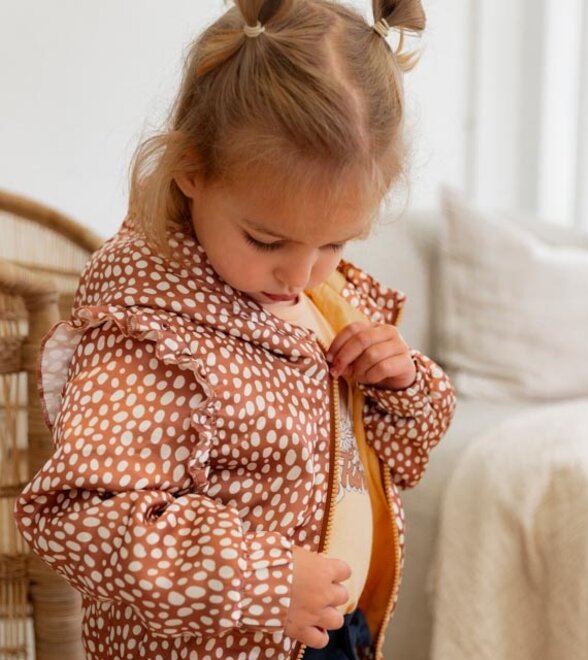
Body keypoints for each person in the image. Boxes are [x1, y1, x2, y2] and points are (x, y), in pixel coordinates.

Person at [14, 0, 457, 658]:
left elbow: (398, 461)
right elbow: (81, 517)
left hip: (338, 630)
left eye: (334, 242)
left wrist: (402, 384)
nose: (300, 274)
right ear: (192, 168)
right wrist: (267, 581)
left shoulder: (330, 295)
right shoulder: (151, 331)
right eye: (267, 239)